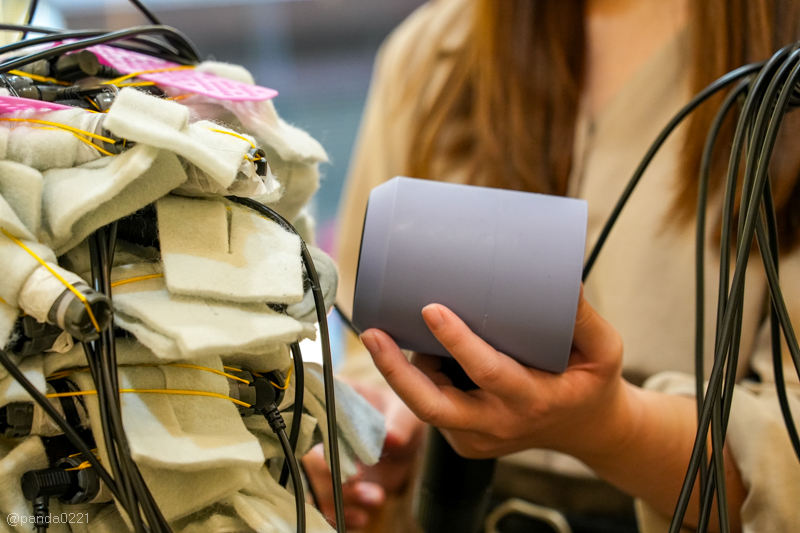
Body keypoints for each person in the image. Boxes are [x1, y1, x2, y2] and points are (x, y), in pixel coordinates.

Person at [303, 0, 800, 531]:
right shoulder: (434, 52)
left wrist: (614, 428)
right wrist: (370, 429)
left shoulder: (783, 69)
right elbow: (364, 341)